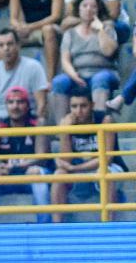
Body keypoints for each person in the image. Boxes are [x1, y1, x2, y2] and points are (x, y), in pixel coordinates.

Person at [0, 86, 51, 225]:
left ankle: (44, 227)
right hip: (4, 177)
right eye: (11, 103)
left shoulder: (37, 123)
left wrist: (16, 167)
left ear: (28, 105)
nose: (15, 106)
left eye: (20, 102)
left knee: (37, 174)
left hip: (27, 176)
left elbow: (41, 158)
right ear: (6, 106)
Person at [51, 85, 123, 222]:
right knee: (58, 174)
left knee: (104, 172)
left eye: (83, 106)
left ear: (92, 105)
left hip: (110, 167)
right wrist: (65, 133)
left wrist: (75, 169)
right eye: (74, 106)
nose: (79, 111)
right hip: (79, 167)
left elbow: (106, 158)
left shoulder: (105, 120)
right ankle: (57, 227)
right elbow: (66, 161)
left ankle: (109, 225)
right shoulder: (67, 123)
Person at [51, 0, 120, 116]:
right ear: (79, 9)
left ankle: (100, 126)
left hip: (103, 72)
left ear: (98, 10)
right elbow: (65, 60)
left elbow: (108, 51)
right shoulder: (70, 33)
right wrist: (73, 75)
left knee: (100, 79)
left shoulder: (107, 29)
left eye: (93, 6)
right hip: (77, 74)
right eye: (85, 6)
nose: (89, 9)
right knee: (58, 81)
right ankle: (62, 129)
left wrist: (100, 30)